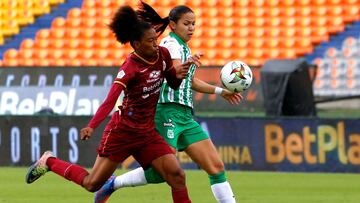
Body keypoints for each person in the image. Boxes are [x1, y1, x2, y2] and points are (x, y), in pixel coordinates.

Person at [25, 4, 197, 203]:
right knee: (92, 184)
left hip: (146, 133)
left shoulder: (162, 55)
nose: (155, 45)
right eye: (150, 41)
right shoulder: (130, 67)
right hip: (122, 133)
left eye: (155, 40)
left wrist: (179, 74)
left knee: (177, 176)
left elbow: (173, 83)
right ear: (136, 43)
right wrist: (91, 125)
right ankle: (49, 161)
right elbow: (110, 100)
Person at [95, 2, 242, 203]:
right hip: (166, 113)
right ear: (173, 24)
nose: (191, 28)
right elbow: (175, 73)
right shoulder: (169, 44)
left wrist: (219, 91)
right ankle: (112, 184)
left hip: (185, 116)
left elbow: (189, 81)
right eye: (187, 23)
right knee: (160, 173)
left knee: (216, 167)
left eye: (194, 24)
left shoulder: (183, 47)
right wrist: (188, 63)